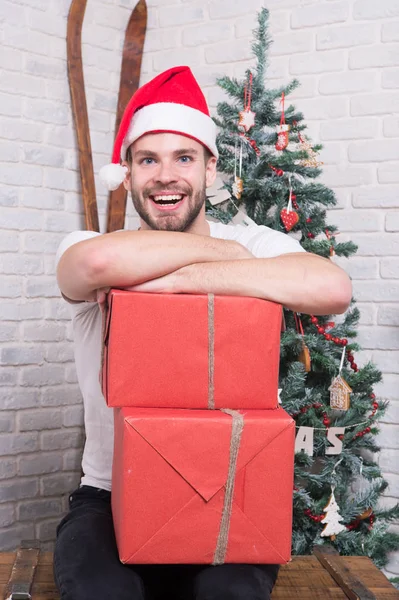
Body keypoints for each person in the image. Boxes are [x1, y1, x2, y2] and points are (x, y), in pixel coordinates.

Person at [54, 66, 352, 600]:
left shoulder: (256, 239)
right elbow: (96, 262)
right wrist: (231, 260)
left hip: (228, 486)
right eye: (148, 160)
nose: (165, 175)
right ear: (127, 173)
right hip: (107, 493)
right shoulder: (92, 244)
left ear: (211, 170)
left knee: (230, 593)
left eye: (183, 158)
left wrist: (175, 280)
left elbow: (330, 287)